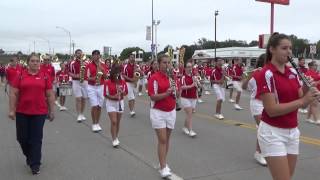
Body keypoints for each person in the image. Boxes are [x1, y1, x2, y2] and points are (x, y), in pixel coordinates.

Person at [256, 33, 320, 180]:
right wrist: (303, 102)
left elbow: (299, 96)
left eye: (290, 48)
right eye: (284, 48)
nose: (289, 52)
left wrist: (306, 87)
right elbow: (271, 110)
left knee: (287, 177)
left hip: (292, 131)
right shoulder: (266, 73)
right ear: (272, 49)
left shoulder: (292, 71)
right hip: (272, 133)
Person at [8, 54, 55, 175]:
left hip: (39, 112)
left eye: (37, 61)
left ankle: (35, 164)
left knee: (36, 139)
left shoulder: (44, 76)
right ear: (28, 63)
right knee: (22, 138)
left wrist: (51, 111)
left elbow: (50, 94)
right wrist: (12, 110)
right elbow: (13, 93)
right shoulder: (21, 75)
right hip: (22, 112)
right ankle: (30, 155)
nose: (35, 63)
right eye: (33, 61)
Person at [148, 54, 177, 178]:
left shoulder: (171, 77)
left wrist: (175, 92)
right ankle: (163, 167)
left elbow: (175, 93)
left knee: (167, 140)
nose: (167, 65)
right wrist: (167, 93)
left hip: (171, 111)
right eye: (164, 62)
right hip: (158, 112)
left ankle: (163, 162)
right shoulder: (154, 78)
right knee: (163, 140)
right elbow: (153, 96)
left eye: (168, 62)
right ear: (159, 64)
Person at [242, 53, 267, 166]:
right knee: (263, 127)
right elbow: (244, 87)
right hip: (257, 103)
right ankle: (259, 153)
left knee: (263, 128)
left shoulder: (271, 72)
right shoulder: (255, 73)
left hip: (269, 102)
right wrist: (250, 75)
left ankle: (261, 151)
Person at [104, 63, 128, 147]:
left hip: (120, 103)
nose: (118, 74)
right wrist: (112, 96)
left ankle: (116, 136)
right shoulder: (107, 82)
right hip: (110, 103)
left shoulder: (123, 82)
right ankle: (114, 139)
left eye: (119, 72)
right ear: (113, 72)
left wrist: (122, 92)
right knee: (114, 121)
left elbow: (126, 93)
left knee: (117, 122)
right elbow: (105, 94)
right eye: (116, 72)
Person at [86, 50, 109, 132]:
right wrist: (94, 78)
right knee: (94, 106)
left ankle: (97, 122)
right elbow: (87, 77)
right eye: (94, 55)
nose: (96, 56)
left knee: (99, 106)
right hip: (91, 87)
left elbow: (106, 77)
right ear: (92, 56)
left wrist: (102, 70)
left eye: (98, 55)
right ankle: (94, 123)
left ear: (99, 56)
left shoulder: (103, 65)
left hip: (101, 87)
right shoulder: (88, 65)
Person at [69, 49, 88, 122]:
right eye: (78, 53)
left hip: (84, 82)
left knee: (84, 98)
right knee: (78, 98)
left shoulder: (86, 62)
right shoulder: (72, 63)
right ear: (75, 54)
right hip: (76, 82)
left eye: (81, 53)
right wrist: (75, 75)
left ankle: (82, 113)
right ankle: (79, 114)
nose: (80, 54)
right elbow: (69, 73)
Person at [180, 62, 198, 137]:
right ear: (185, 68)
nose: (190, 68)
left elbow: (197, 86)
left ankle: (184, 127)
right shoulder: (183, 77)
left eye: (191, 67)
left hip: (193, 97)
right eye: (188, 67)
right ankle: (190, 130)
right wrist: (191, 86)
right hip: (185, 98)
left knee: (189, 114)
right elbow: (182, 87)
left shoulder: (194, 76)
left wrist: (198, 83)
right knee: (189, 113)